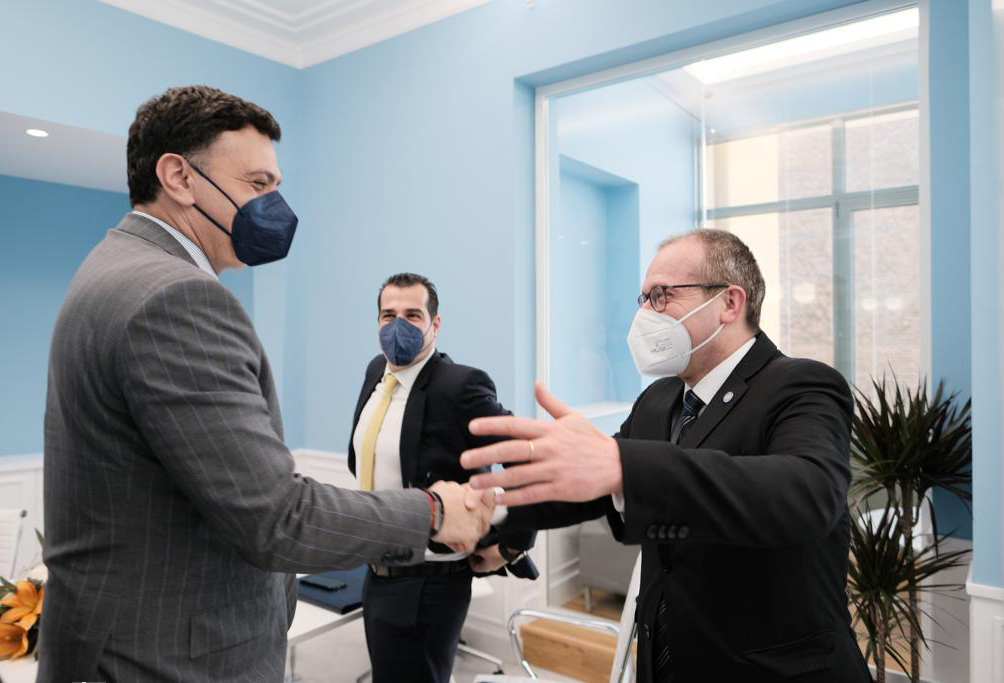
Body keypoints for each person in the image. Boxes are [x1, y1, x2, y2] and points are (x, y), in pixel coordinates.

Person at [40, 85, 494, 683]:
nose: (274, 206)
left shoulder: (113, 267)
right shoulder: (177, 297)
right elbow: (276, 516)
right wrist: (432, 512)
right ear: (178, 176)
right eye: (258, 184)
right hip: (165, 657)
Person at [461, 229, 871, 682]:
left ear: (729, 303)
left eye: (662, 296)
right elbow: (596, 486)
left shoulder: (803, 385)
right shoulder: (658, 400)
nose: (645, 314)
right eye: (643, 299)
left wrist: (622, 465)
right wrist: (490, 510)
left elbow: (807, 493)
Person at [348, 272, 536, 683]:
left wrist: (513, 545)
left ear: (435, 324)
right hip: (377, 572)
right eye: (388, 315)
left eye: (412, 315)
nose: (398, 325)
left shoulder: (460, 385)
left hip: (429, 581)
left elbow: (523, 454)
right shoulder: (377, 372)